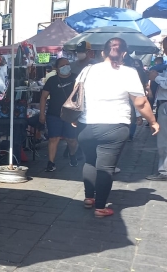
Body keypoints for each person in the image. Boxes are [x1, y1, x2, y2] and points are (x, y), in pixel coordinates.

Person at [77, 38, 159, 217]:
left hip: (86, 125)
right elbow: (140, 101)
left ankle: (89, 198)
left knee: (90, 161)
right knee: (106, 168)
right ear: (124, 54)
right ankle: (100, 207)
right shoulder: (128, 73)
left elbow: (76, 95)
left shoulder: (87, 70)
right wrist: (152, 121)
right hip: (114, 127)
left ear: (103, 53)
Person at [39, 58, 78, 172]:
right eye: (62, 65)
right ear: (56, 68)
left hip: (71, 114)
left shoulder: (76, 78)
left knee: (71, 139)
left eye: (67, 64)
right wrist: (42, 113)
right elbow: (43, 97)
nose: (66, 66)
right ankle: (51, 162)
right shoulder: (52, 80)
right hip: (54, 114)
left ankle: (72, 155)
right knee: (53, 138)